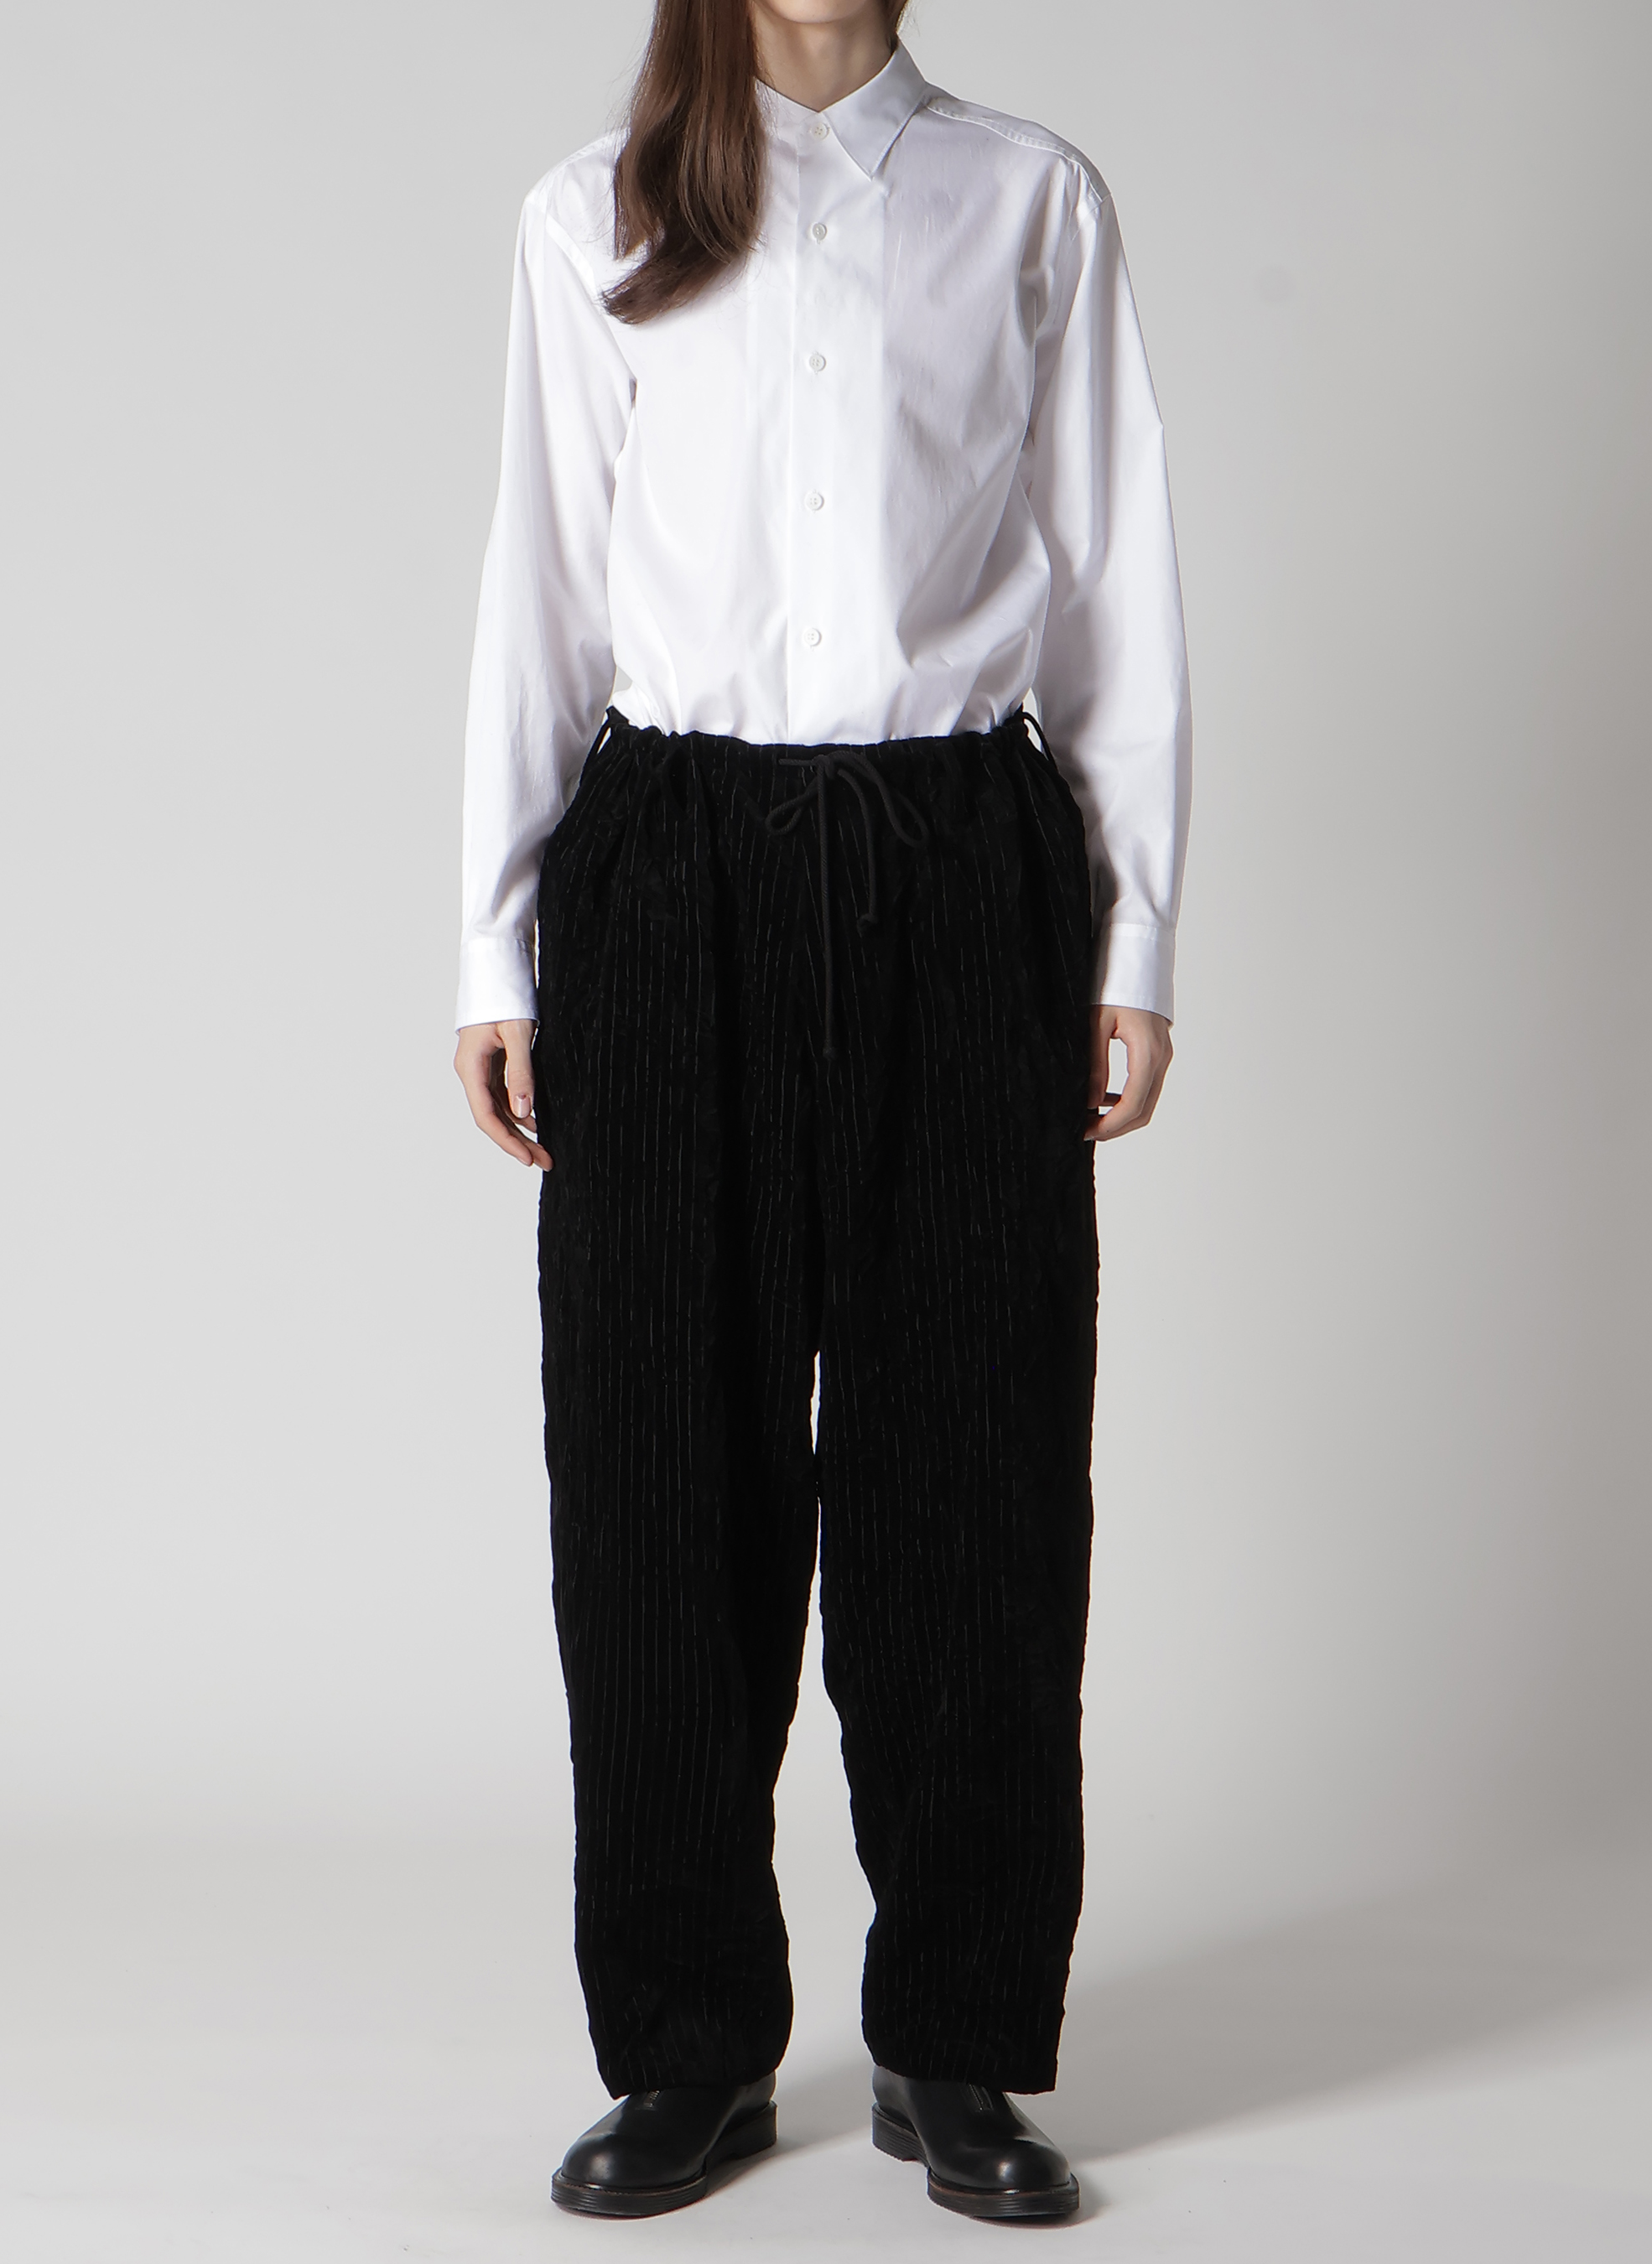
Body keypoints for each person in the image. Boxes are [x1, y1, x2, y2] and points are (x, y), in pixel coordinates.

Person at [453, 0, 1189, 2225]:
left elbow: (1112, 573)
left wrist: (1133, 933)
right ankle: (686, 2050)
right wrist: (491, 944)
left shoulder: (1029, 201)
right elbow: (540, 583)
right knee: (658, 1474)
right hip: (668, 870)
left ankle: (957, 2042)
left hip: (961, 864)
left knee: (971, 1472)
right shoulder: (593, 215)